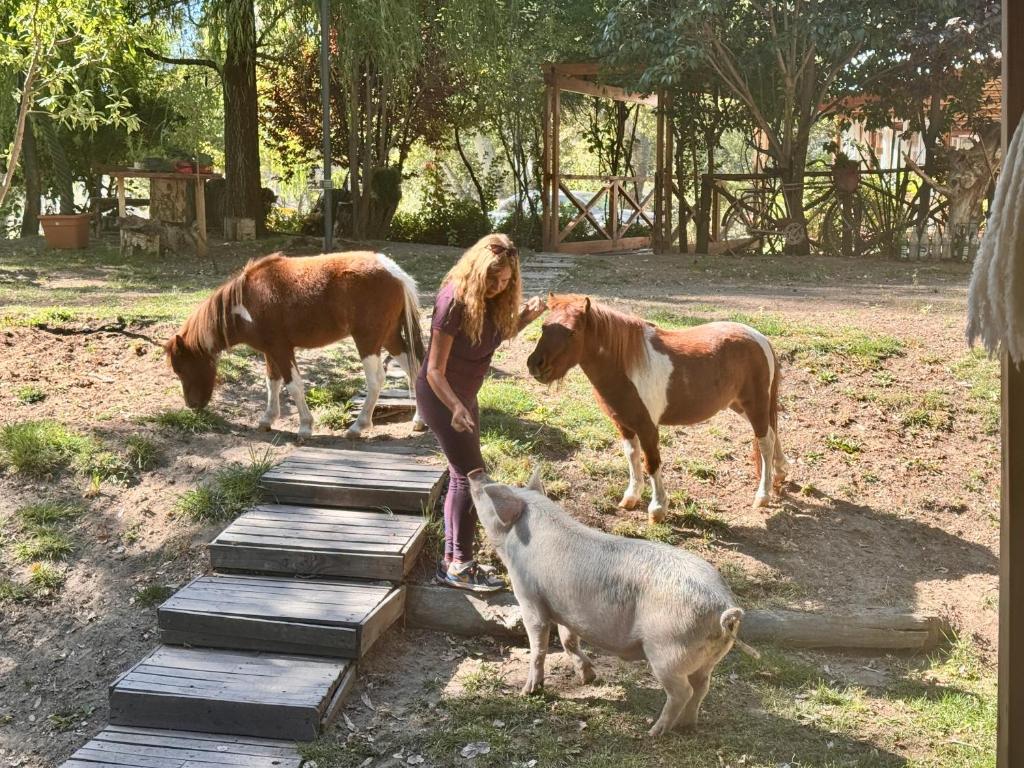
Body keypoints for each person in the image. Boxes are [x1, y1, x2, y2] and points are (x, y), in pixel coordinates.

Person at [415, 233, 546, 591]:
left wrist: (526, 318)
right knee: (472, 477)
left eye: (506, 281)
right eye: (492, 279)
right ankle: (459, 564)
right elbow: (434, 371)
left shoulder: (493, 302)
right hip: (442, 397)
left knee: (462, 476)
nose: (498, 287)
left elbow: (492, 337)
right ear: (477, 271)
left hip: (463, 397)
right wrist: (456, 406)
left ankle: (452, 561)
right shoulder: (453, 302)